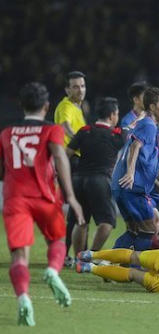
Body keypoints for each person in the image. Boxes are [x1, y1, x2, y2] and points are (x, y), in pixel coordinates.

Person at [0, 82, 85, 326]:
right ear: (47, 106)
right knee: (56, 241)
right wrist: (70, 197)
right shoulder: (51, 130)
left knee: (19, 256)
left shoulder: (6, 133)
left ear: (20, 105)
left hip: (15, 199)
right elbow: (60, 158)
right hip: (45, 197)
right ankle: (52, 271)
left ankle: (24, 298)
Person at [111, 87, 159, 251]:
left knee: (139, 228)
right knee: (149, 228)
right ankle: (136, 267)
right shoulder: (149, 126)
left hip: (124, 186)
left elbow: (148, 167)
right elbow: (135, 146)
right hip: (132, 188)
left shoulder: (148, 126)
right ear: (152, 107)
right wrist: (130, 172)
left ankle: (106, 261)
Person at [66, 97, 126, 257]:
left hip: (78, 180)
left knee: (81, 220)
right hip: (99, 180)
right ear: (113, 115)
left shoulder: (84, 131)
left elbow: (67, 154)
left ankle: (79, 258)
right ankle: (91, 255)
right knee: (107, 222)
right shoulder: (117, 134)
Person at [54, 70, 87, 266]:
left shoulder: (77, 107)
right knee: (76, 211)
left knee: (76, 211)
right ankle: (65, 254)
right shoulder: (65, 106)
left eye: (82, 86)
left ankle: (68, 252)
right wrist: (82, 140)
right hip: (70, 161)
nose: (80, 90)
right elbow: (65, 126)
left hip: (75, 161)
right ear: (67, 89)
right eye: (75, 86)